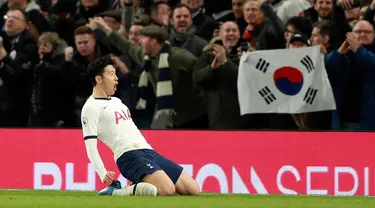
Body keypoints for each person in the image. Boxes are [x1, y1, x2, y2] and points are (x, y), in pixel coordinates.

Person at [81, 55, 200, 196]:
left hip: (148, 151)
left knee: (193, 190)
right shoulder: (90, 107)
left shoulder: (117, 101)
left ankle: (139, 184)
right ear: (99, 79)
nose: (116, 78)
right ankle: (117, 192)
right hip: (128, 156)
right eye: (112, 74)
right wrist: (102, 173)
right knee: (166, 190)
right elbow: (90, 147)